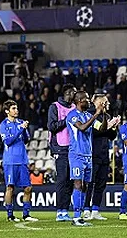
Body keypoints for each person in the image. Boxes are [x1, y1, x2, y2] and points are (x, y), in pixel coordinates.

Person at [66, 91, 101, 226]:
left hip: (88, 155)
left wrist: (103, 117)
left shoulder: (88, 115)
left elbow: (100, 128)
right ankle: (76, 217)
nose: (89, 101)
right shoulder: (72, 115)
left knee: (85, 185)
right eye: (87, 99)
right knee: (78, 184)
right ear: (80, 101)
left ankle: (79, 214)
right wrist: (96, 114)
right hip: (76, 155)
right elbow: (82, 127)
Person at [0, 100, 39, 222]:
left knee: (28, 188)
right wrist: (19, 129)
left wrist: (24, 129)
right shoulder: (3, 125)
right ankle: (10, 215)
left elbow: (26, 139)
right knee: (10, 188)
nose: (16, 110)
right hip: (10, 161)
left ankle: (26, 215)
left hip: (22, 160)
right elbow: (8, 141)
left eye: (16, 108)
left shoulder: (21, 122)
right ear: (7, 111)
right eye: (13, 108)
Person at [83, 94, 119, 220]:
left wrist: (114, 126)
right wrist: (108, 126)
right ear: (98, 103)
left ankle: (95, 210)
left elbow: (112, 136)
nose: (107, 104)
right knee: (90, 183)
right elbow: (97, 131)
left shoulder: (107, 116)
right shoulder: (89, 115)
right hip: (92, 155)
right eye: (105, 102)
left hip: (104, 155)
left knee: (101, 184)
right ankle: (86, 209)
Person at [48, 84, 77, 222]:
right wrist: (67, 120)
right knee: (62, 180)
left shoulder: (74, 108)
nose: (76, 95)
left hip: (73, 147)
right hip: (60, 147)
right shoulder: (55, 107)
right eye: (74, 93)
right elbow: (52, 126)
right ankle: (60, 211)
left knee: (71, 181)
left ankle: (65, 209)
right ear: (68, 93)